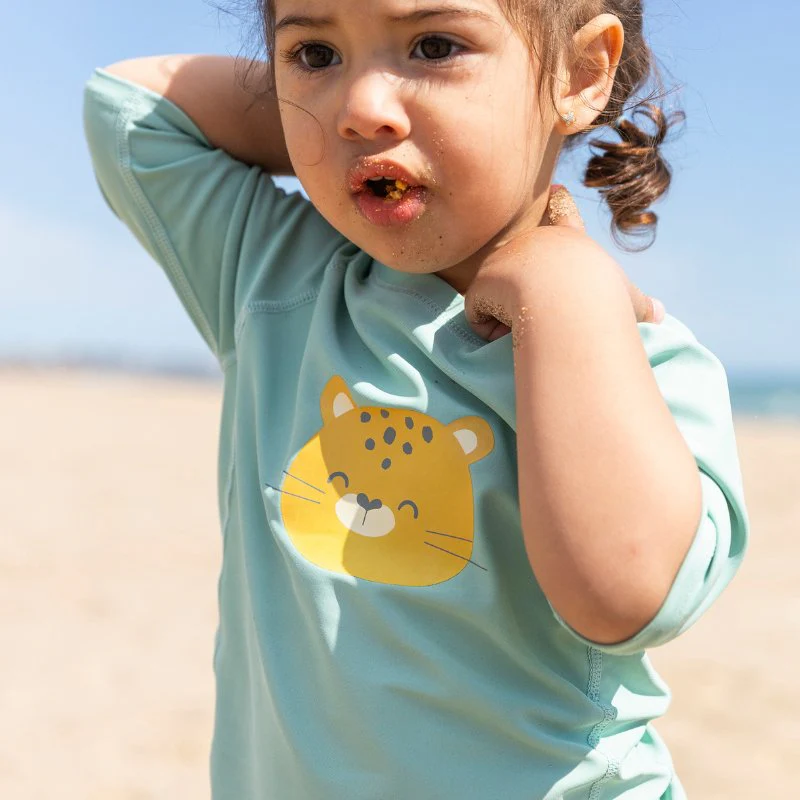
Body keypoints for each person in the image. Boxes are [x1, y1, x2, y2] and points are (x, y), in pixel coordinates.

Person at [82, 1, 750, 797]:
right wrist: (323, 132)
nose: (363, 107)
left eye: (434, 46)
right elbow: (127, 104)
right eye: (315, 54)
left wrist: (567, 290)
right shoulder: (276, 276)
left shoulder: (643, 363)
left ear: (581, 74)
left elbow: (624, 597)